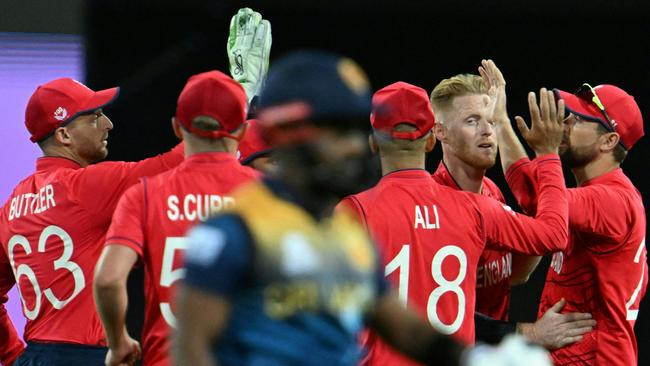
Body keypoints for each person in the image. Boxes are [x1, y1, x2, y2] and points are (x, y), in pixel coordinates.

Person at [172, 50, 478, 366]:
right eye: (339, 131)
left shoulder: (348, 236)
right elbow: (191, 350)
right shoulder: (236, 231)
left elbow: (408, 333)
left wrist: (481, 358)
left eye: (357, 131)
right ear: (285, 134)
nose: (356, 146)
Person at [337, 81, 574, 365]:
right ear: (431, 140)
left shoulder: (352, 212)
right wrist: (547, 156)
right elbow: (554, 234)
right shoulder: (474, 207)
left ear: (373, 143)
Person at [0, 77, 184, 365]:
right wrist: (229, 118)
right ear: (64, 135)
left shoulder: (13, 204)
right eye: (95, 117)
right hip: (84, 356)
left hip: (36, 356)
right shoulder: (84, 187)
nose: (108, 124)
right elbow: (177, 165)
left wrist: (13, 356)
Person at [485, 57, 648, 365]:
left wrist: (546, 153)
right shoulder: (594, 194)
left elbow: (545, 204)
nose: (564, 125)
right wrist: (500, 120)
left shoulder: (615, 199)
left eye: (578, 120)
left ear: (609, 140)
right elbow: (536, 195)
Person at [93, 70, 260, 366]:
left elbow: (108, 279)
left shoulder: (144, 195)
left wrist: (118, 343)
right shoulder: (269, 196)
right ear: (244, 132)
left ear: (177, 129)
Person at [430, 71, 594, 348]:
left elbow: (515, 273)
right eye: (472, 121)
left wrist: (534, 222)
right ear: (440, 132)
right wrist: (528, 333)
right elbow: (439, 316)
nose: (487, 131)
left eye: (490, 121)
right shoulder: (435, 208)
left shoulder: (492, 192)